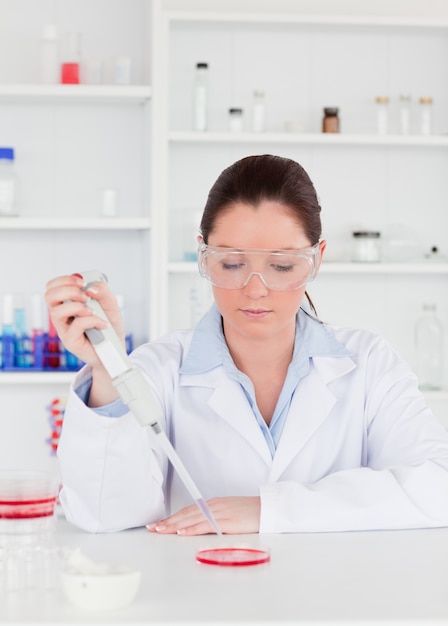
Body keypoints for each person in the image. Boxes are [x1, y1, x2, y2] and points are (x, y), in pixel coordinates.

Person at [45, 154, 448, 535]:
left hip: (331, 598)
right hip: (198, 595)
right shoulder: (158, 367)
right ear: (203, 254)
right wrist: (107, 370)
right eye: (232, 264)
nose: (255, 289)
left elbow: (436, 489)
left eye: (282, 265)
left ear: (317, 259)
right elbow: (102, 514)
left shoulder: (369, 363)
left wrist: (268, 510)